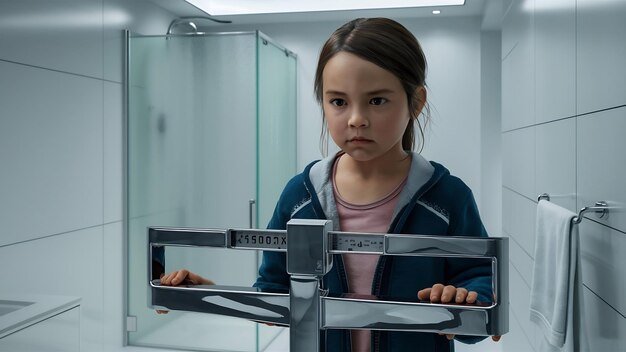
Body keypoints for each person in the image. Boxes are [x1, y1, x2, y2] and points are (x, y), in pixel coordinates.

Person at [161, 17, 500, 352]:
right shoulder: (299, 197)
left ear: (416, 101)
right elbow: (276, 294)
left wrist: (464, 300)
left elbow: (481, 290)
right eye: (338, 101)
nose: (356, 119)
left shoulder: (446, 198)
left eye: (377, 100)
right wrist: (208, 295)